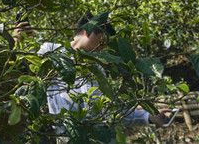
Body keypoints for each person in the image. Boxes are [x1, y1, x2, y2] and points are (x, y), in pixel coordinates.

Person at [14, 13, 172, 132]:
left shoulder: (96, 69)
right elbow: (24, 70)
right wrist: (19, 41)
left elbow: (108, 111)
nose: (102, 45)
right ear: (85, 31)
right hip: (68, 135)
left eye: (106, 43)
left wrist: (149, 117)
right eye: (100, 38)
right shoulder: (51, 50)